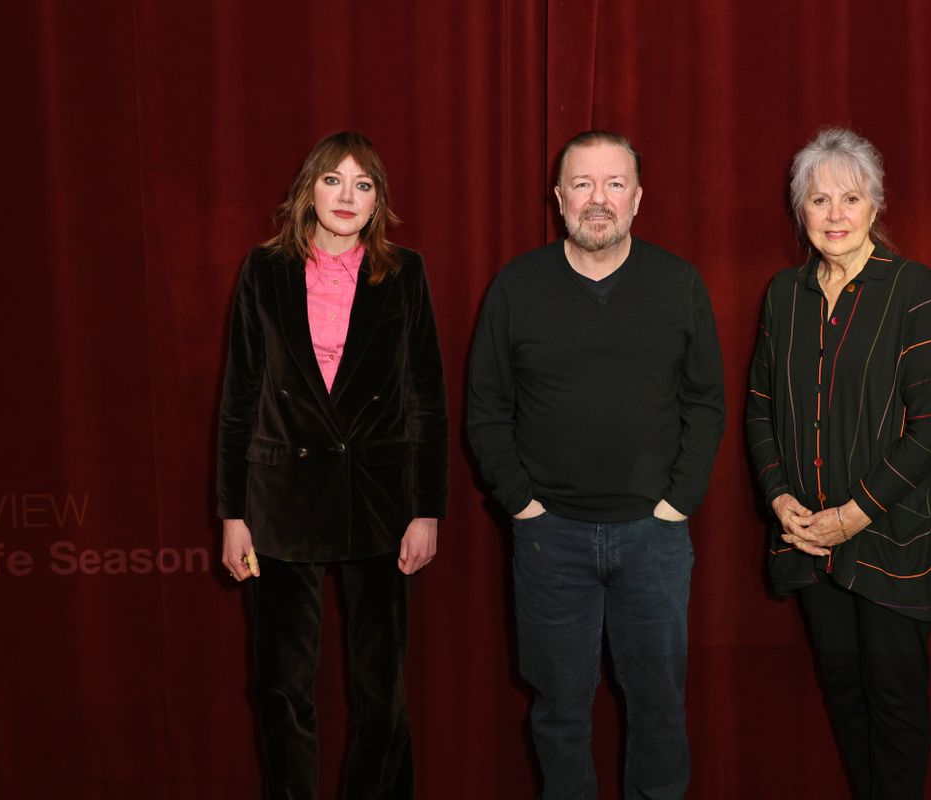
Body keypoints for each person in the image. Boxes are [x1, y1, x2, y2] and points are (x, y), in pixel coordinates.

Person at [468, 130, 725, 799]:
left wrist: (678, 503)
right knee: (558, 714)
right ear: (558, 199)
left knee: (661, 710)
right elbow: (486, 408)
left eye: (614, 184)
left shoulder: (678, 284)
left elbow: (706, 401)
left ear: (638, 199)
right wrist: (524, 505)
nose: (598, 200)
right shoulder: (516, 288)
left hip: (654, 537)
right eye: (582, 184)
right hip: (551, 540)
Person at [216, 130, 447, 799]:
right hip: (280, 498)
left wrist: (428, 509)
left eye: (363, 184)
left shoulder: (406, 273)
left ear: (379, 201)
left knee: (383, 691)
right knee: (281, 686)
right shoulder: (264, 271)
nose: (347, 196)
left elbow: (426, 400)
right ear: (307, 190)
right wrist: (232, 515)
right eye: (333, 180)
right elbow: (238, 400)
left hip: (380, 498)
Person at [745, 127, 931, 799]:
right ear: (800, 211)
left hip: (892, 537)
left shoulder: (910, 287)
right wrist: (780, 498)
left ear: (875, 207)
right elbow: (759, 405)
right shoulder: (784, 294)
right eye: (820, 200)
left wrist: (855, 514)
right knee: (844, 695)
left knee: (896, 703)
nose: (836, 215)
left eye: (851, 198)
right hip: (809, 540)